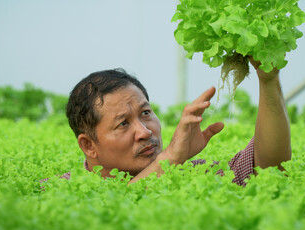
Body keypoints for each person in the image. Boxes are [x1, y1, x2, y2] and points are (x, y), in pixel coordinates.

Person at [65, 58, 291, 186]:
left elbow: (270, 169)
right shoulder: (60, 189)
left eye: (145, 113)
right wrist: (170, 157)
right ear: (88, 146)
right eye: (123, 123)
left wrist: (269, 81)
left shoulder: (192, 174)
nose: (144, 132)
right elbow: (104, 210)